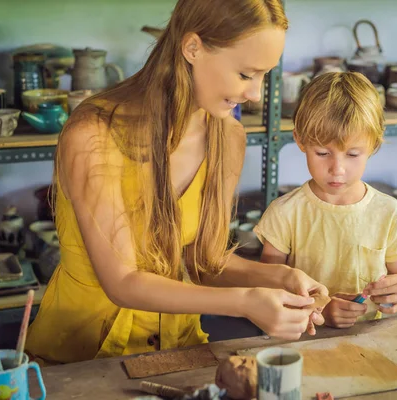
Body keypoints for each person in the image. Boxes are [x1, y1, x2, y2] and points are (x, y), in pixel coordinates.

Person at [25, 0, 328, 365]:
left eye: (264, 75)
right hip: (81, 353)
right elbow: (122, 282)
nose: (255, 95)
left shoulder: (227, 137)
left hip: (177, 348)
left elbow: (202, 261)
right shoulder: (94, 133)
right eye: (246, 75)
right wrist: (246, 303)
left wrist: (278, 278)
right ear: (193, 48)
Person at [253, 71, 397, 329]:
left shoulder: (389, 213)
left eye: (353, 154)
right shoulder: (285, 213)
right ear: (299, 140)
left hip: (372, 341)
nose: (337, 168)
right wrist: (319, 310)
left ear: (374, 145)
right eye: (322, 153)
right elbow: (268, 287)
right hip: (303, 338)